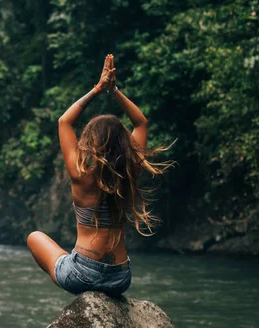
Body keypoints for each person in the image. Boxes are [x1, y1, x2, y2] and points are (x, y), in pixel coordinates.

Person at [27, 54, 170, 296]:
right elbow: (141, 123)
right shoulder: (130, 172)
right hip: (120, 277)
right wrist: (114, 91)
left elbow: (64, 122)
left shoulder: (80, 175)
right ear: (125, 144)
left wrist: (98, 89)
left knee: (35, 237)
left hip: (81, 273)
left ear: (91, 144)